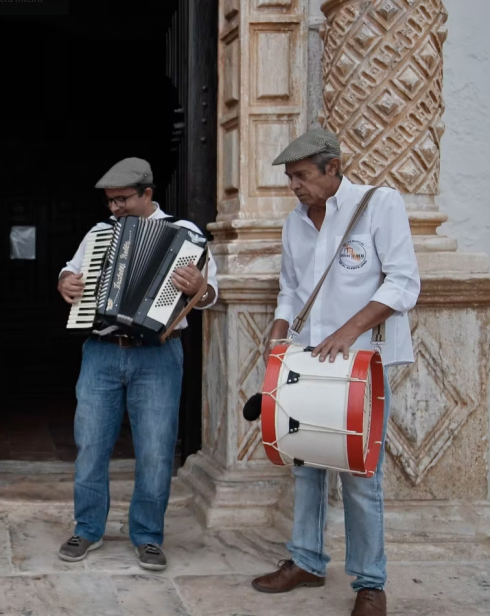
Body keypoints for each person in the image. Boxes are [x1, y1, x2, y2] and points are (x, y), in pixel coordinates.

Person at [250, 128, 420, 616]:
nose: (294, 186)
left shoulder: (379, 205)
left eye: (302, 175)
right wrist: (279, 330)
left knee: (361, 477)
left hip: (363, 364)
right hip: (306, 362)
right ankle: (306, 560)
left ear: (333, 168)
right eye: (290, 177)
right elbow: (290, 289)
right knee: (305, 464)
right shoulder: (295, 222)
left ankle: (370, 583)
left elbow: (403, 282)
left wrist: (349, 331)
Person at [56, 157, 218, 570]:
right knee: (91, 445)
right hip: (102, 351)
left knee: (156, 451)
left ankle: (147, 536)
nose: (115, 209)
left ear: (147, 193)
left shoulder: (185, 235)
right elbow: (70, 272)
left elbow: (211, 296)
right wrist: (65, 283)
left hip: (158, 356)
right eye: (110, 201)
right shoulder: (100, 233)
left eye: (122, 200)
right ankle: (87, 528)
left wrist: (200, 287)